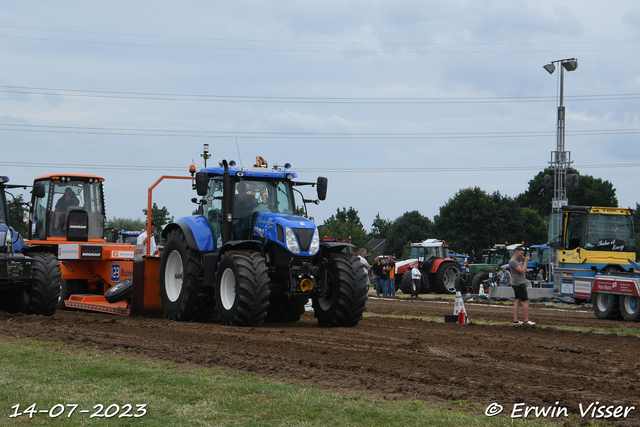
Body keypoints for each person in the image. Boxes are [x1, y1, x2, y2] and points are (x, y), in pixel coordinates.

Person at [509, 246, 535, 325]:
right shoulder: (513, 261)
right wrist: (526, 261)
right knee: (526, 301)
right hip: (519, 283)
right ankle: (526, 320)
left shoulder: (516, 261)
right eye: (521, 253)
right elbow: (522, 271)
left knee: (518, 300)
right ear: (517, 252)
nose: (522, 255)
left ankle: (516, 320)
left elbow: (524, 269)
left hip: (517, 283)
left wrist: (524, 262)